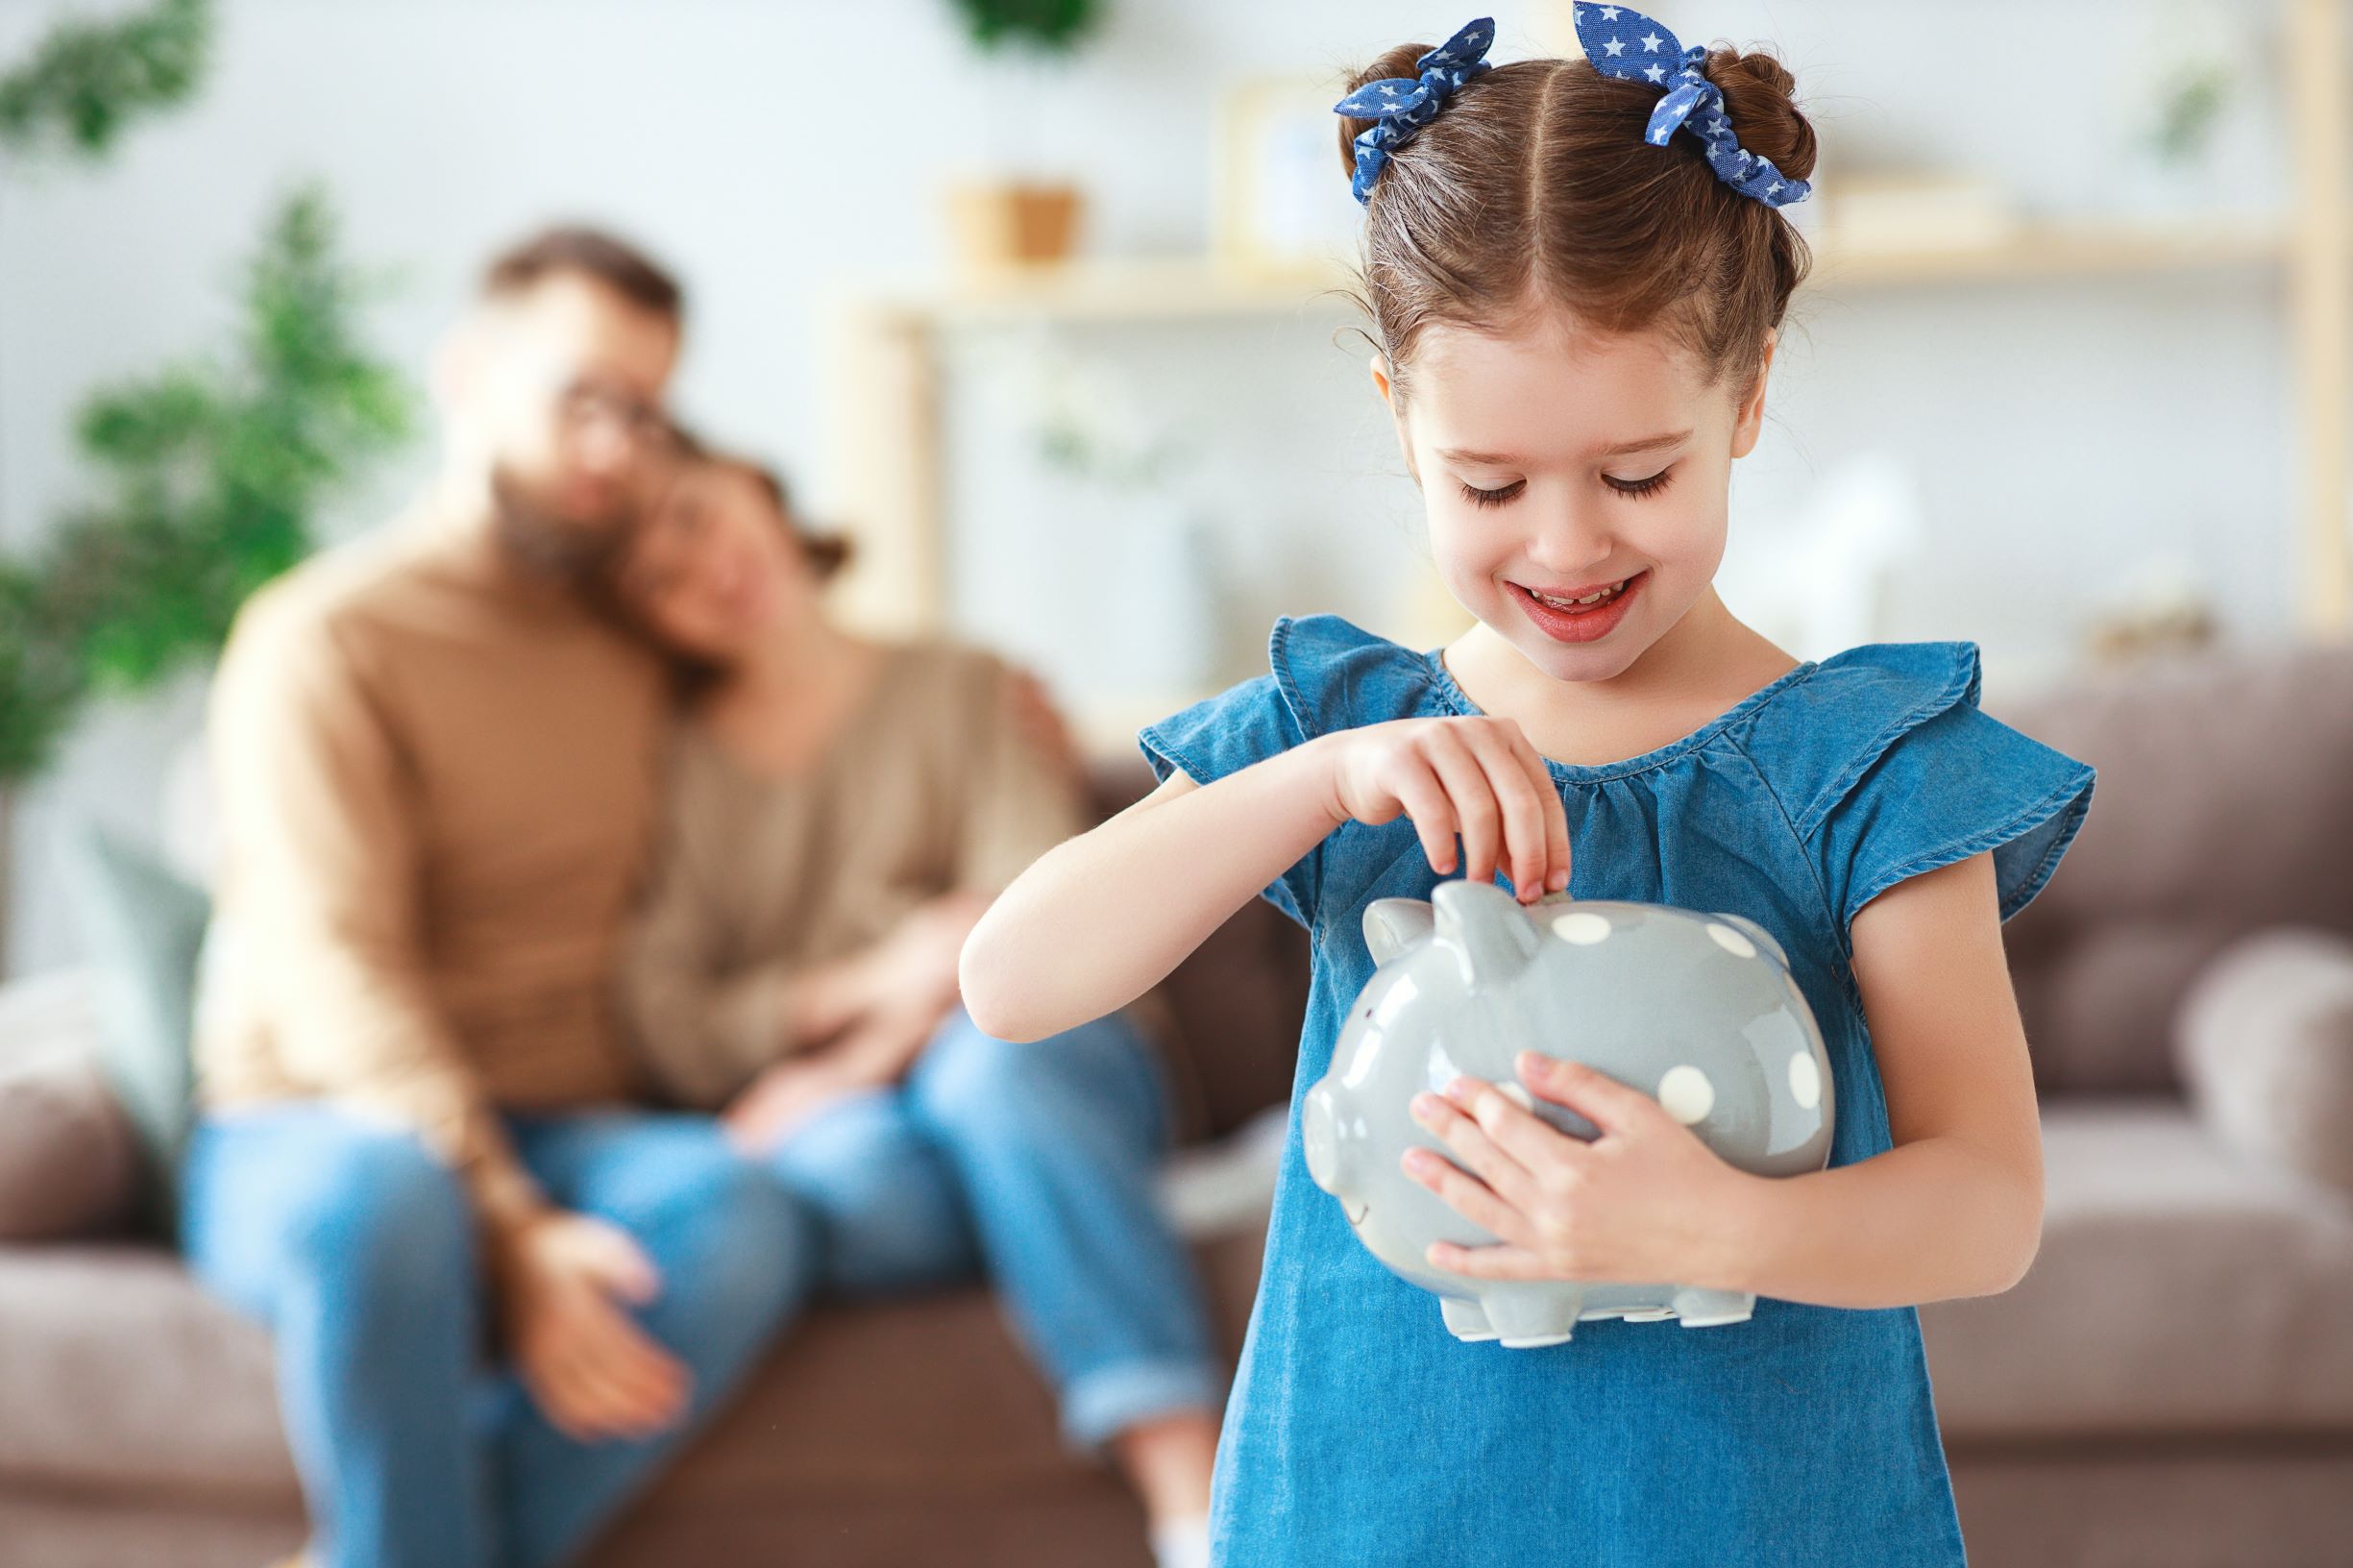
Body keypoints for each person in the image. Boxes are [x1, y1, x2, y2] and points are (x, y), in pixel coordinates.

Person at [958, 11, 2099, 1566]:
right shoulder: (1344, 728)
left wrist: (1704, 1227)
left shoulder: (1856, 764)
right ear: (1395, 422)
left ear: (1746, 398)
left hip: (1762, 1521)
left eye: (1636, 474)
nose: (1564, 549)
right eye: (1486, 485)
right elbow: (1011, 979)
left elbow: (1983, 1206)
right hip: (1362, 1515)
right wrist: (1317, 779)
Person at [184, 228, 814, 1568]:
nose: (613, 449)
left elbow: (804, 679)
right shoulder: (324, 638)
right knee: (388, 1196)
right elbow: (330, 969)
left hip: (574, 1120)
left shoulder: (632, 633)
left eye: (644, 414)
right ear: (466, 374)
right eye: (579, 398)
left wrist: (988, 706)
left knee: (740, 1210)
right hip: (317, 1125)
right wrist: (511, 1228)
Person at [595, 436, 1223, 1568]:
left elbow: (1035, 930)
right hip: (878, 1139)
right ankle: (1051, 1212)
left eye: (694, 516)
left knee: (997, 1070)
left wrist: (839, 1056)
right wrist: (876, 975)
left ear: (754, 484)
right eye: (656, 579)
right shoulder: (674, 768)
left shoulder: (963, 685)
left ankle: (1189, 1495)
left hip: (1049, 1060)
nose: (702, 569)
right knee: (843, 1178)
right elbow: (672, 1018)